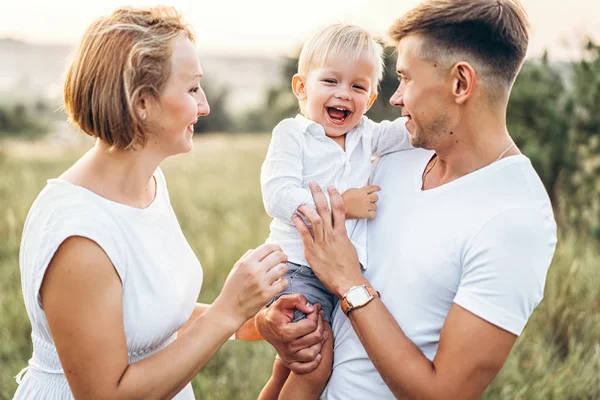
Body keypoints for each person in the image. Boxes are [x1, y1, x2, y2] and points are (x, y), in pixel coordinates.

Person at [256, 0, 558, 398]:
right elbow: (305, 284)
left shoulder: (516, 218)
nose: (395, 99)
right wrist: (267, 322)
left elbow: (443, 394)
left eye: (406, 79)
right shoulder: (391, 158)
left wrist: (348, 281)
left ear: (460, 83)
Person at [14, 7, 287, 399]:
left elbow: (149, 319)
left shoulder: (149, 183)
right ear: (143, 102)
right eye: (192, 89)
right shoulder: (79, 236)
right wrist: (227, 310)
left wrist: (253, 320)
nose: (205, 105)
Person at [258, 24, 410, 399]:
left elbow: (410, 129)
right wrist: (344, 203)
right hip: (295, 270)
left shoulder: (367, 135)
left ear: (371, 98)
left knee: (287, 366)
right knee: (313, 364)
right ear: (301, 87)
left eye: (358, 87)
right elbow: (277, 195)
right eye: (331, 81)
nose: (344, 94)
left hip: (334, 275)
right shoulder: (293, 135)